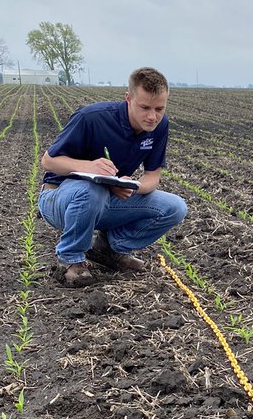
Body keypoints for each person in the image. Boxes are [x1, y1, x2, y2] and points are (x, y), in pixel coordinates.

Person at [38, 67, 188, 287]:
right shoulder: (91, 118)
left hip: (105, 200)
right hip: (59, 198)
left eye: (159, 109)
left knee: (175, 207)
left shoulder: (159, 127)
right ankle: (70, 259)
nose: (152, 116)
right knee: (91, 191)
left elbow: (152, 177)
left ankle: (109, 249)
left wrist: (131, 186)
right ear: (128, 98)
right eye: (144, 107)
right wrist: (90, 167)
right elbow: (48, 161)